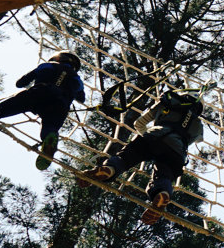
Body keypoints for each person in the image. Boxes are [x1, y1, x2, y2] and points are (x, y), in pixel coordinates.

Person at [77, 88, 204, 225]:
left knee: (125, 158)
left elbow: (139, 123)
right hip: (177, 151)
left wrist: (146, 135)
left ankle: (110, 169)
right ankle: (162, 192)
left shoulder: (166, 103)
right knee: (164, 175)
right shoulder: (199, 126)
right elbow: (196, 140)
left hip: (153, 136)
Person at [0, 51, 85, 170]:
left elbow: (20, 83)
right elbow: (81, 98)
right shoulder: (78, 80)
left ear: (57, 58)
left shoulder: (47, 65)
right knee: (50, 127)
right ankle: (49, 139)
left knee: (8, 107)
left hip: (39, 92)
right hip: (60, 104)